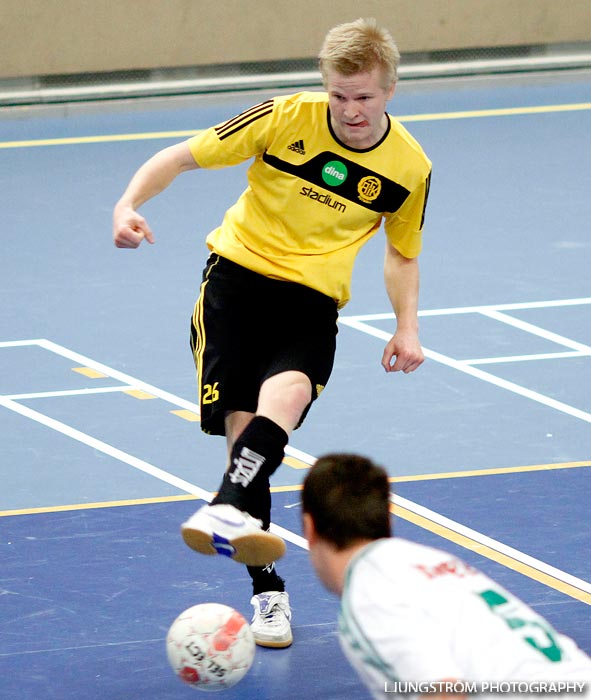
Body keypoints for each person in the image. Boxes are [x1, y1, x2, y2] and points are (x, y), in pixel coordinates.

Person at [112, 17, 431, 649]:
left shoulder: (410, 167)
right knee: (242, 439)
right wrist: (128, 205)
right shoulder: (284, 118)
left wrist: (406, 326)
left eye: (364, 97)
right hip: (235, 284)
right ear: (326, 87)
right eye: (339, 96)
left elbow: (401, 254)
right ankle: (267, 591)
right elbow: (180, 156)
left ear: (389, 90)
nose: (351, 111)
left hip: (312, 301)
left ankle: (227, 507)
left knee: (281, 403)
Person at [302, 453, 591, 699]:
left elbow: (443, 691)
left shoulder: (367, 595)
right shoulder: (428, 559)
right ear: (387, 518)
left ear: (309, 527)